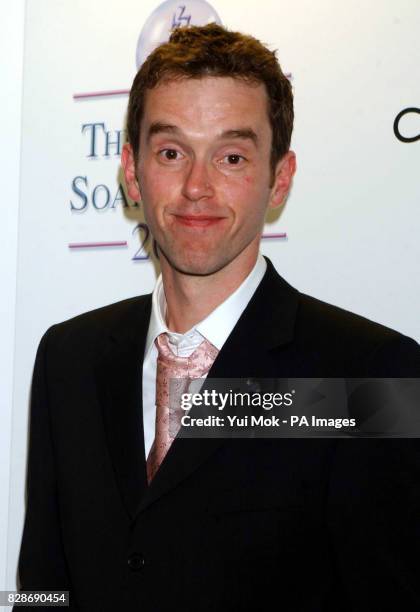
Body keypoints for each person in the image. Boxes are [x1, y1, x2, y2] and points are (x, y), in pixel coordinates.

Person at [17, 24, 420, 611]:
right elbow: (44, 587)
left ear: (278, 178)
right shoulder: (69, 357)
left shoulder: (370, 376)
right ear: (132, 169)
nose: (196, 187)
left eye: (231, 157)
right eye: (172, 152)